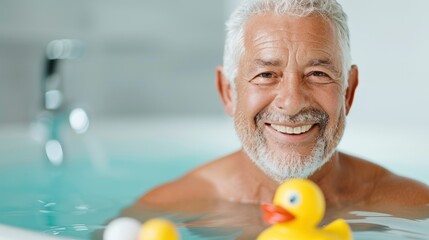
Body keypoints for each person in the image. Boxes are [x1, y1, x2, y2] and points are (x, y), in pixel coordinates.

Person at [139, 0, 429, 209]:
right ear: (228, 92)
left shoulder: (414, 208)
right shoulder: (166, 209)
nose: (291, 104)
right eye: (266, 75)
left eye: (318, 74)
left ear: (348, 92)